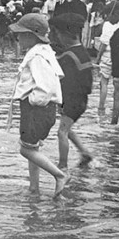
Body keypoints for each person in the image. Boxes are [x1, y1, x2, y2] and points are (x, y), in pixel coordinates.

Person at [8, 13, 69, 198]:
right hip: (41, 109)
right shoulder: (44, 52)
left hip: (37, 108)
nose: (18, 38)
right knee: (32, 148)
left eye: (21, 34)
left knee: (25, 149)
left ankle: (59, 175)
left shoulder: (37, 57)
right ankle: (34, 188)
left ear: (31, 36)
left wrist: (33, 101)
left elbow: (46, 87)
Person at [49, 13, 93, 171]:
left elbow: (65, 84)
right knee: (67, 129)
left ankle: (63, 166)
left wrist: (61, 103)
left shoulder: (67, 57)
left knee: (62, 132)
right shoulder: (82, 52)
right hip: (81, 100)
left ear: (65, 35)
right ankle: (85, 153)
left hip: (72, 101)